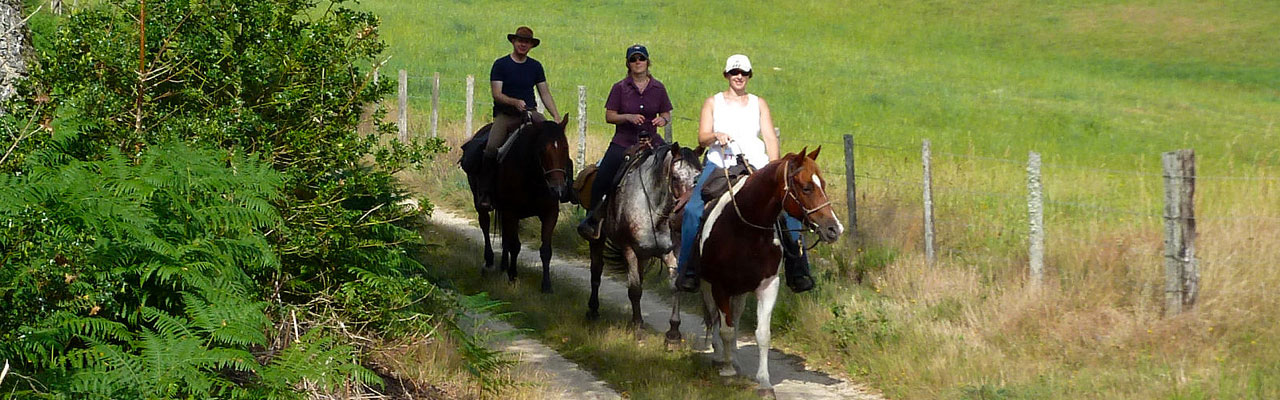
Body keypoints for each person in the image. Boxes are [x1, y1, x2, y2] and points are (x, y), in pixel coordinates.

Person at [674, 54, 815, 293]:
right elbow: (702, 136)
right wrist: (715, 135)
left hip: (756, 165)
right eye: (734, 73)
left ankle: (798, 270)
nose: (739, 77)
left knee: (788, 209)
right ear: (726, 75)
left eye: (743, 73)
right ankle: (687, 270)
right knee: (693, 210)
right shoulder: (713, 102)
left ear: (749, 76)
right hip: (720, 163)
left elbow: (770, 137)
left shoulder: (758, 103)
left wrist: (774, 168)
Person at [577, 44, 673, 240]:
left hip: (652, 141)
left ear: (648, 62)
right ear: (628, 64)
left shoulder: (658, 88)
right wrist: (628, 117)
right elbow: (609, 116)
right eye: (633, 59)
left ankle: (671, 221)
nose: (638, 62)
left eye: (641, 58)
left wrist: (662, 120)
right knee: (603, 176)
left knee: (675, 170)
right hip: (624, 141)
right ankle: (592, 220)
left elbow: (666, 113)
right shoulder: (620, 87)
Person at [478, 26, 562, 210]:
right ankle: (485, 191)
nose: (523, 44)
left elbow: (545, 93)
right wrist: (514, 102)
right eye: (520, 40)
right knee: (492, 148)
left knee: (554, 142)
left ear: (531, 45)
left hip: (530, 112)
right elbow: (497, 94)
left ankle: (563, 187)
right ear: (513, 42)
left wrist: (555, 115)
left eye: (527, 42)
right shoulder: (501, 64)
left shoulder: (535, 66)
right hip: (506, 115)